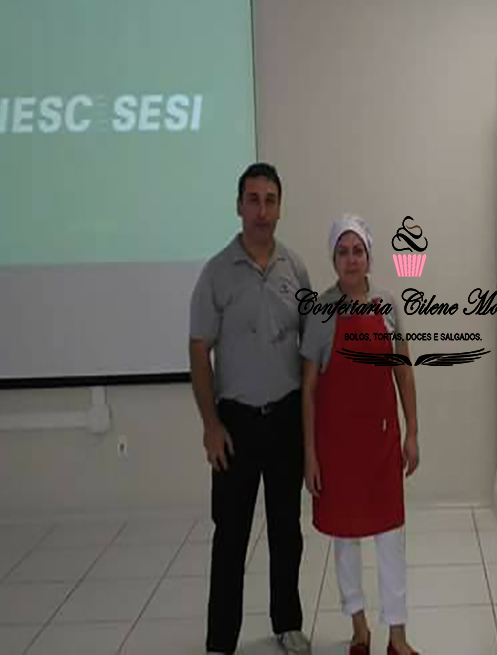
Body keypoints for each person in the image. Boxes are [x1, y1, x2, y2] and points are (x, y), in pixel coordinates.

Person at [189, 163, 312, 654]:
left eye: (270, 200)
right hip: (235, 424)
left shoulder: (295, 269)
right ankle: (221, 640)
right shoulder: (216, 273)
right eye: (254, 200)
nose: (262, 210)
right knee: (230, 535)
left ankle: (288, 623)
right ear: (239, 206)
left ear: (280, 207)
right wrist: (210, 425)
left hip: (285, 419)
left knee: (287, 530)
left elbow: (312, 349)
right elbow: (199, 348)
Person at [301, 215, 420, 655]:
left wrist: (412, 432)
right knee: (345, 539)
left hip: (381, 443)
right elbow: (308, 389)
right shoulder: (320, 312)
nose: (351, 260)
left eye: (358, 251)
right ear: (333, 258)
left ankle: (397, 637)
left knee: (391, 540)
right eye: (343, 252)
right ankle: (359, 628)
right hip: (336, 448)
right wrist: (310, 454)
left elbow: (403, 372)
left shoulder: (387, 306)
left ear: (369, 256)